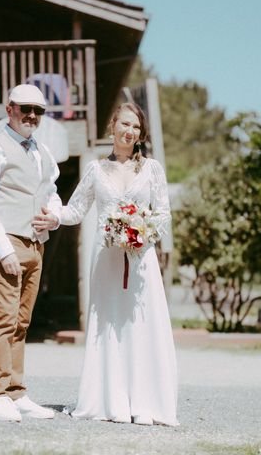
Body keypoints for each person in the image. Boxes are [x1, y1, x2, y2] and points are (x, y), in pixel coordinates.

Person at [35, 102, 178, 426]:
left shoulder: (152, 169)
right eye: (124, 124)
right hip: (107, 262)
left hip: (141, 262)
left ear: (140, 134)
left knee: (141, 327)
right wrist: (53, 217)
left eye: (136, 128)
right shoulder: (96, 170)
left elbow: (164, 213)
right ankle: (110, 400)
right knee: (110, 328)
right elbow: (75, 210)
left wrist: (142, 232)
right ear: (113, 125)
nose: (129, 131)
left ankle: (144, 403)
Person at [0, 84, 61, 422]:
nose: (32, 116)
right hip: (6, 243)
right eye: (26, 109)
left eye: (38, 111)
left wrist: (52, 217)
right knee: (3, 319)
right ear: (9, 109)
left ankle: (16, 392)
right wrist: (2, 248)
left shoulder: (42, 151)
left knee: (22, 322)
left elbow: (50, 190)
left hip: (36, 245)